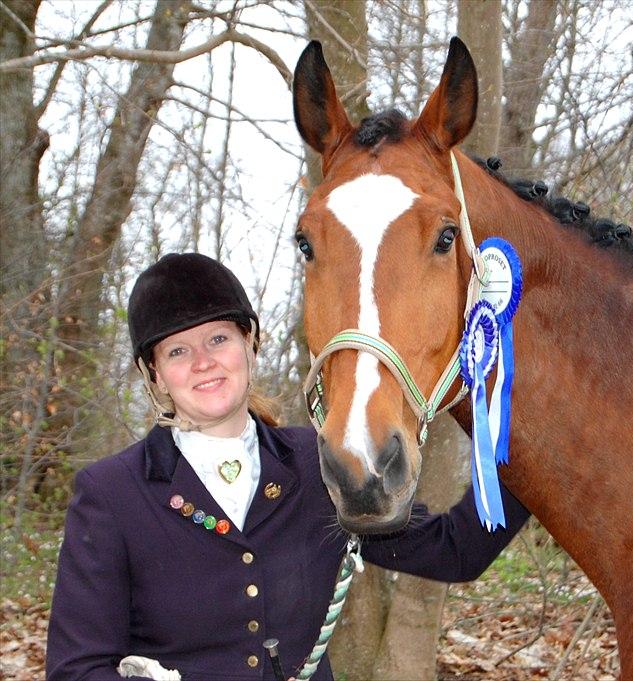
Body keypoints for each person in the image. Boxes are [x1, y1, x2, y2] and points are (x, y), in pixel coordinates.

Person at [46, 252, 529, 681]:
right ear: (154, 373)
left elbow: (454, 551)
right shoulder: (111, 493)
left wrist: (532, 444)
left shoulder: (313, 463)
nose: (202, 362)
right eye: (177, 351)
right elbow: (76, 668)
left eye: (218, 338)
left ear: (250, 342)